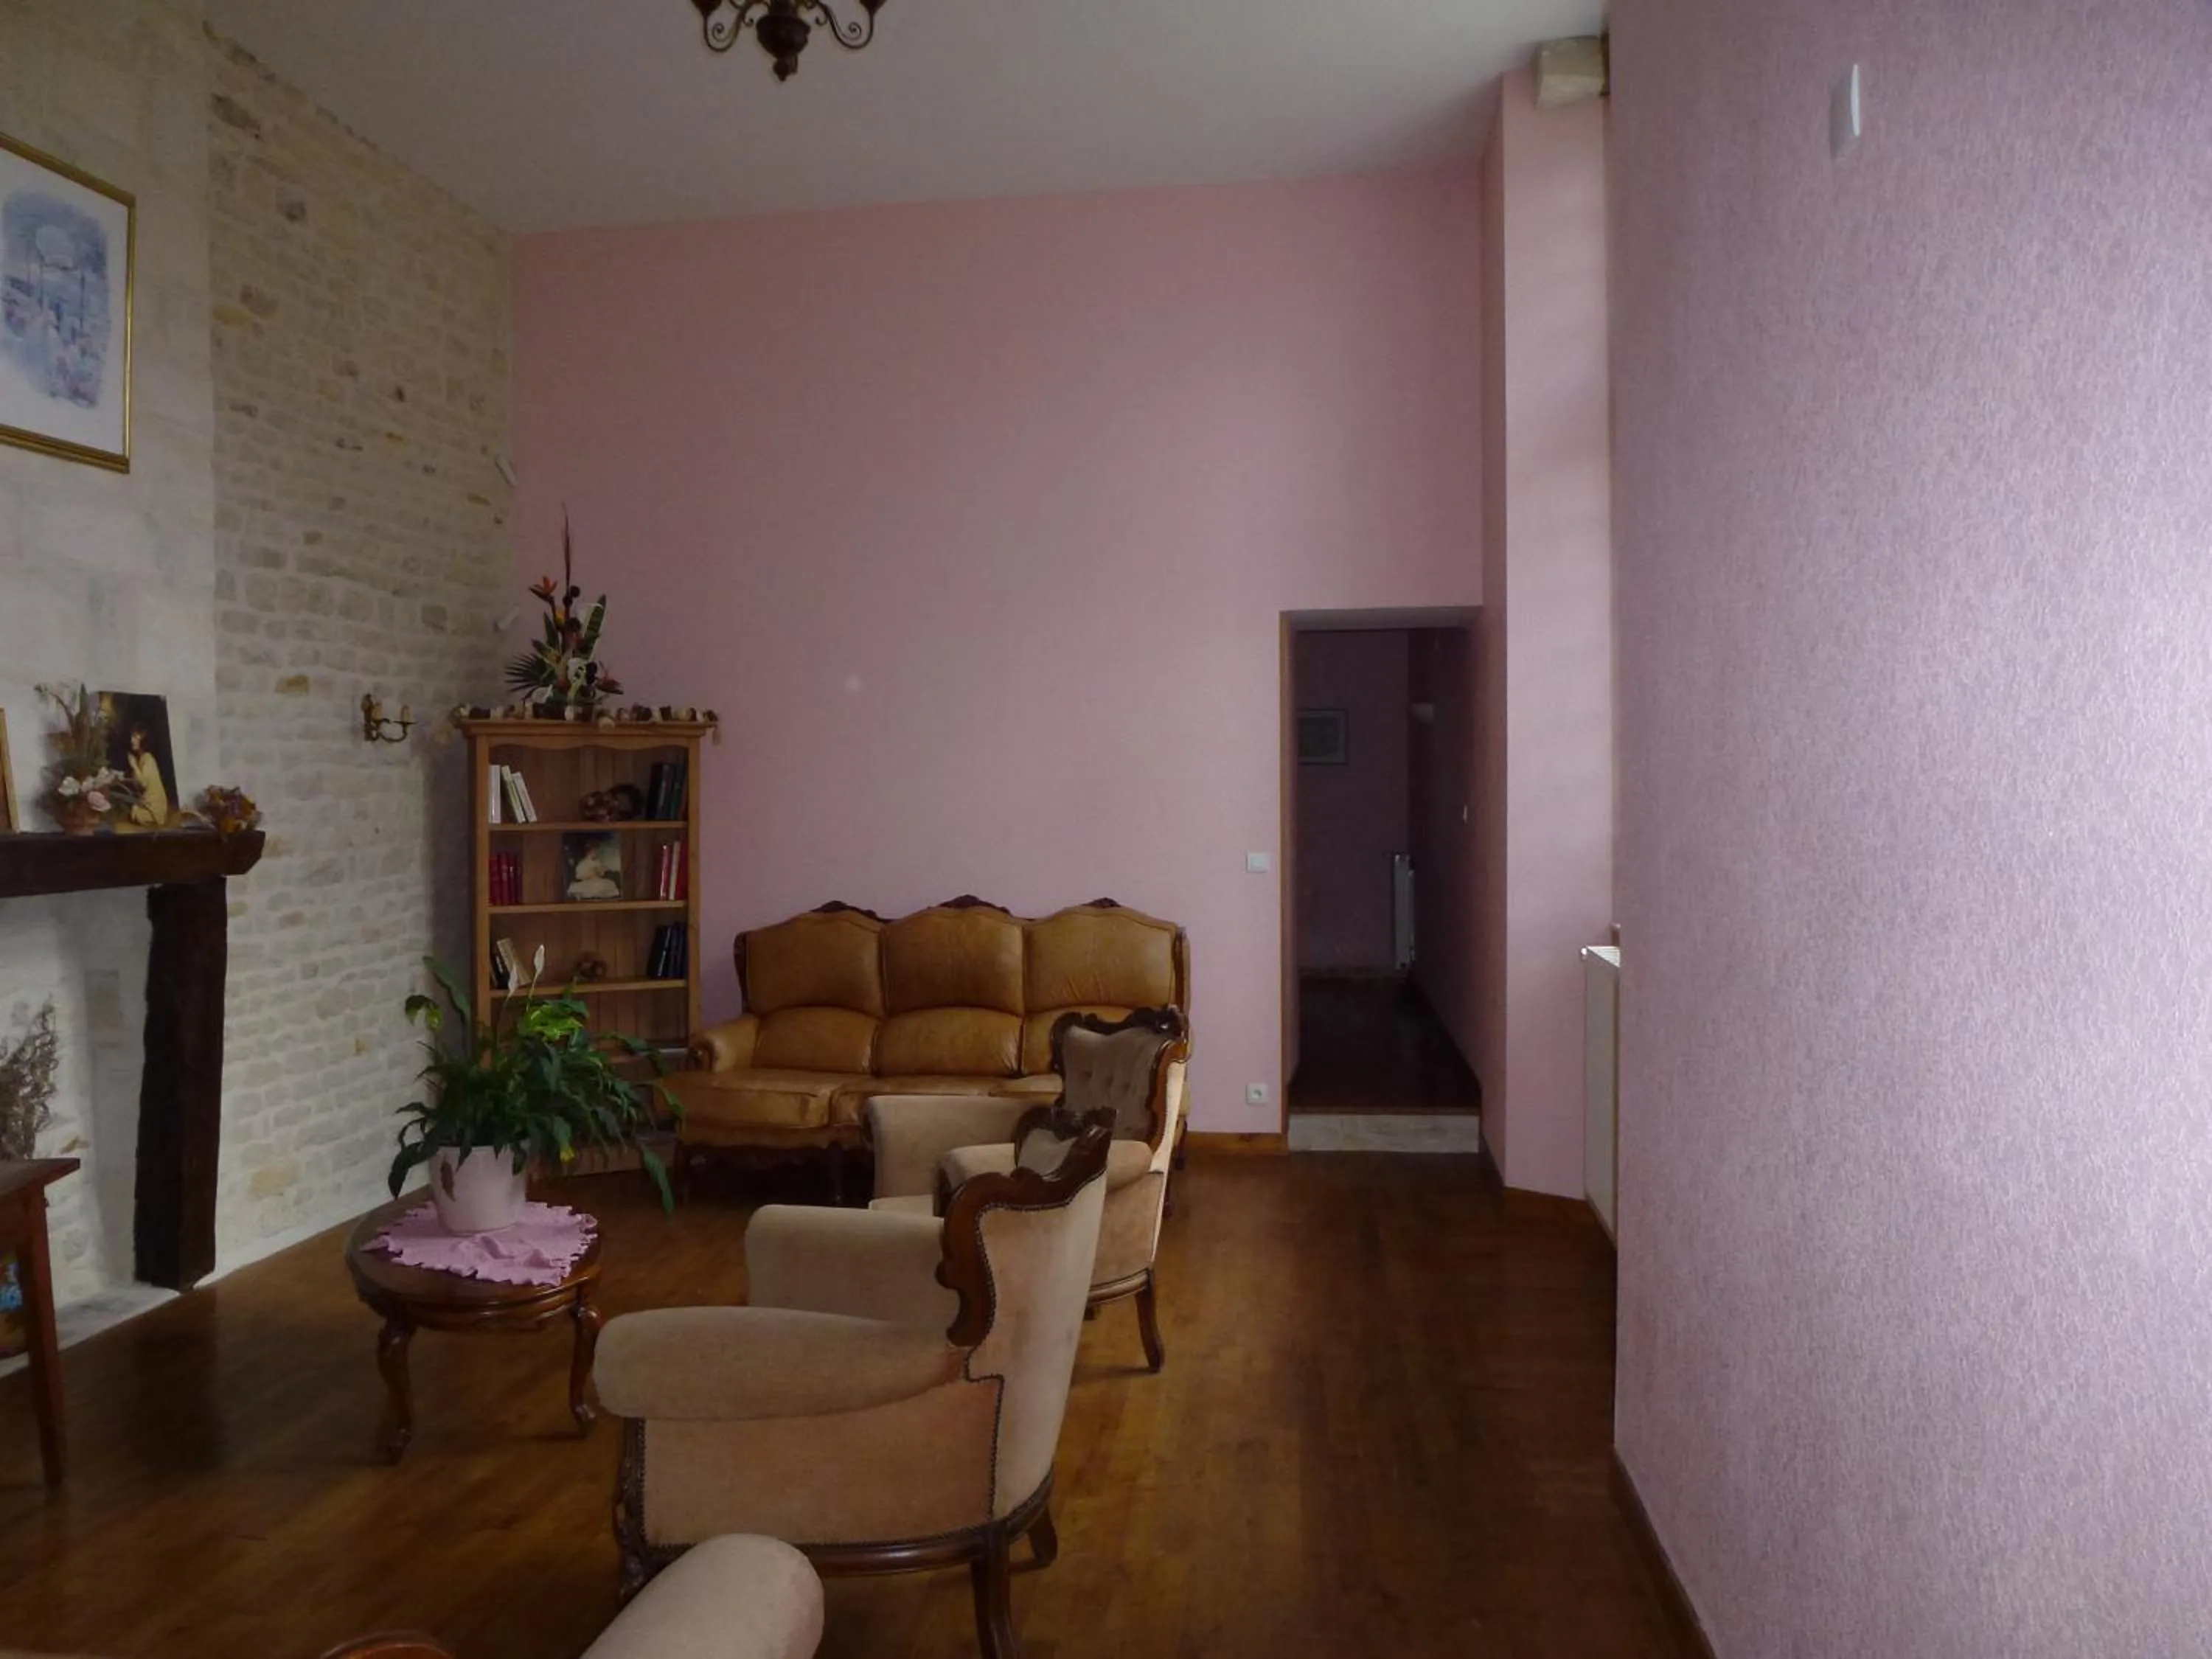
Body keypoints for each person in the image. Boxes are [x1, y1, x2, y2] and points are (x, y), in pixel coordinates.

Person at [125, 727, 168, 826]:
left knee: (135, 813)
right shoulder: (142, 758)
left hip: (155, 804)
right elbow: (138, 784)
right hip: (147, 801)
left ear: (143, 741)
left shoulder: (148, 759)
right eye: (132, 737)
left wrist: (134, 765)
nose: (132, 740)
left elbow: (143, 784)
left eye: (136, 738)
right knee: (133, 809)